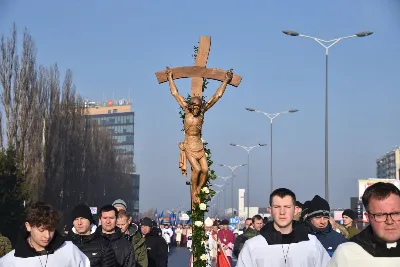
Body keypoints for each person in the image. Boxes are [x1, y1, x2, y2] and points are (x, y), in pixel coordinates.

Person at [166, 67, 233, 205]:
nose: (196, 110)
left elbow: (216, 96)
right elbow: (175, 93)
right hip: (189, 145)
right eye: (194, 107)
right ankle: (194, 191)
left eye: (198, 107)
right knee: (196, 169)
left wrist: (226, 80)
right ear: (190, 106)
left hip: (199, 146)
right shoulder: (186, 109)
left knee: (206, 171)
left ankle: (199, 188)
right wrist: (170, 78)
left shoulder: (202, 112)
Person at [237, 188, 330, 267]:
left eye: (287, 207)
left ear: (296, 210)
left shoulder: (312, 243)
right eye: (277, 207)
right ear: (270, 210)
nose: (282, 212)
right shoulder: (253, 246)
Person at [328, 182, 400, 266]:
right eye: (380, 215)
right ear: (368, 217)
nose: (389, 221)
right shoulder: (347, 253)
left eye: (395, 213)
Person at [0, 202, 90, 267]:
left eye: (51, 230)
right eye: (41, 230)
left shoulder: (70, 251)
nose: (47, 236)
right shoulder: (9, 262)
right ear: (28, 226)